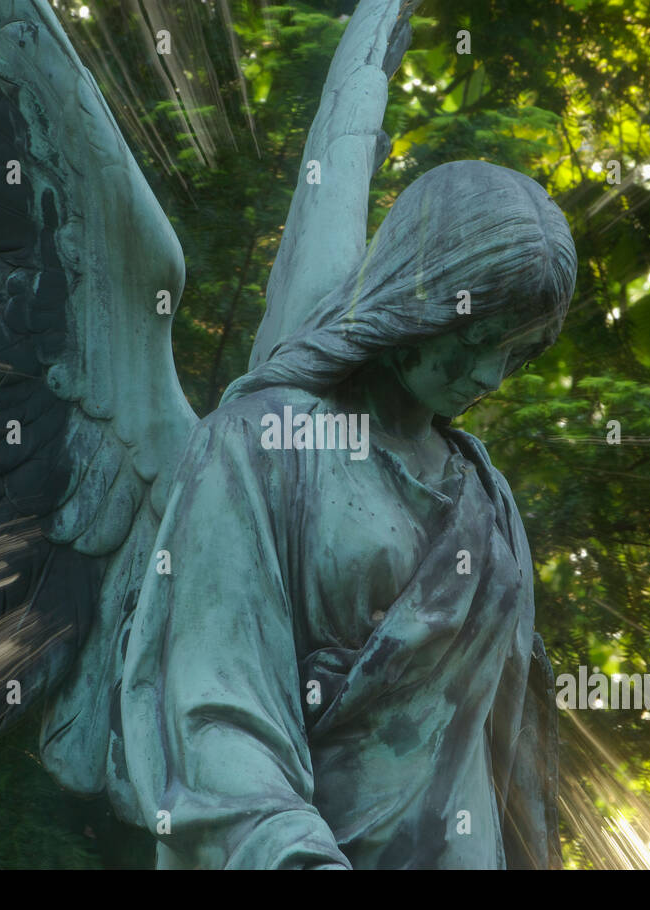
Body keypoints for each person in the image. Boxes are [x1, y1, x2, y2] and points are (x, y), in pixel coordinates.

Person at [120, 160, 578, 868]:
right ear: (421, 290)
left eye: (515, 353)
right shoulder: (260, 444)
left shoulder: (488, 497)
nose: (488, 376)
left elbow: (505, 751)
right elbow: (215, 714)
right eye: (478, 337)